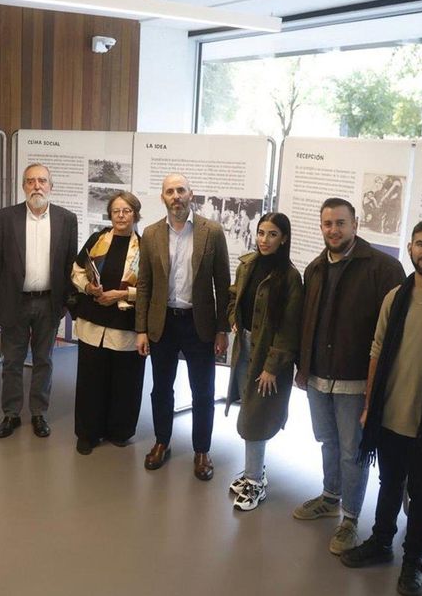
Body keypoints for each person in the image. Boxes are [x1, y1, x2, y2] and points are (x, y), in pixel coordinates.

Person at [339, 219, 422, 596]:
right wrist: (369, 406)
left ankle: (413, 560)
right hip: (391, 413)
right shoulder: (394, 298)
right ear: (410, 248)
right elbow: (377, 351)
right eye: (421, 244)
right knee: (388, 482)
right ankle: (381, 542)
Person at [293, 197, 404, 554]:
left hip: (356, 380)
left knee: (353, 450)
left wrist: (381, 385)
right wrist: (303, 368)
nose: (334, 230)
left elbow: (393, 333)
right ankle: (330, 497)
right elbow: (306, 323)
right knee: (328, 442)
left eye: (341, 223)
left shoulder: (383, 268)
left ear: (355, 224)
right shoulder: (315, 268)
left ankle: (351, 518)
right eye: (327, 224)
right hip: (318, 377)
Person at [136, 173, 230, 480]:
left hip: (198, 325)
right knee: (161, 389)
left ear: (191, 194)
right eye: (169, 191)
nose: (175, 196)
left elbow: (222, 284)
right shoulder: (150, 234)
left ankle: (201, 450)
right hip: (162, 325)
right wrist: (141, 330)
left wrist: (222, 330)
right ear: (162, 197)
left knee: (203, 391)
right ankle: (162, 442)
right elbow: (146, 285)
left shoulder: (212, 232)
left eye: (181, 190)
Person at [0, 163, 77, 438]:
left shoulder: (66, 218)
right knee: (12, 361)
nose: (36, 186)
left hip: (49, 303)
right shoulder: (5, 217)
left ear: (51, 185)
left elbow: (70, 264)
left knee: (44, 360)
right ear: (23, 186)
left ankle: (39, 412)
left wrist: (66, 302)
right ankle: (11, 413)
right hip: (14, 301)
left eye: (42, 181)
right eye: (30, 181)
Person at [225, 212, 302, 510]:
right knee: (248, 407)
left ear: (283, 238)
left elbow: (289, 327)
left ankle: (255, 482)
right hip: (244, 347)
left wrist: (272, 366)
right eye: (260, 232)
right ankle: (254, 471)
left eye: (272, 234)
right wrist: (233, 318)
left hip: (267, 356)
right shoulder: (248, 264)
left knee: (254, 418)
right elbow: (234, 296)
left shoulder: (291, 278)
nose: (264, 240)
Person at [70, 191, 145, 455]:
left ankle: (120, 431)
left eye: (126, 211)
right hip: (93, 322)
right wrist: (89, 288)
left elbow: (150, 288)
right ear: (110, 215)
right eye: (116, 211)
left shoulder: (145, 247)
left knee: (125, 380)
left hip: (125, 324)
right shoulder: (98, 239)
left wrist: (123, 294)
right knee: (91, 379)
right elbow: (77, 270)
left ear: (135, 214)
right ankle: (88, 433)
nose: (121, 216)